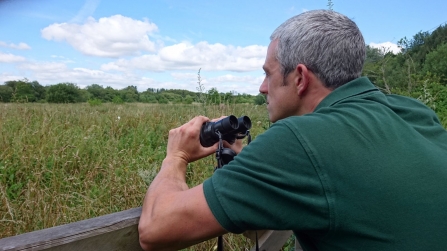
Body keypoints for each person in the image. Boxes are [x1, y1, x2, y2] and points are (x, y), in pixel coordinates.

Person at [138, 9, 447, 251]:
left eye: (267, 74)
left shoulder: (300, 140)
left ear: (300, 77)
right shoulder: (413, 112)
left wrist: (176, 156)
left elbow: (155, 230)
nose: (261, 88)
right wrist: (247, 166)